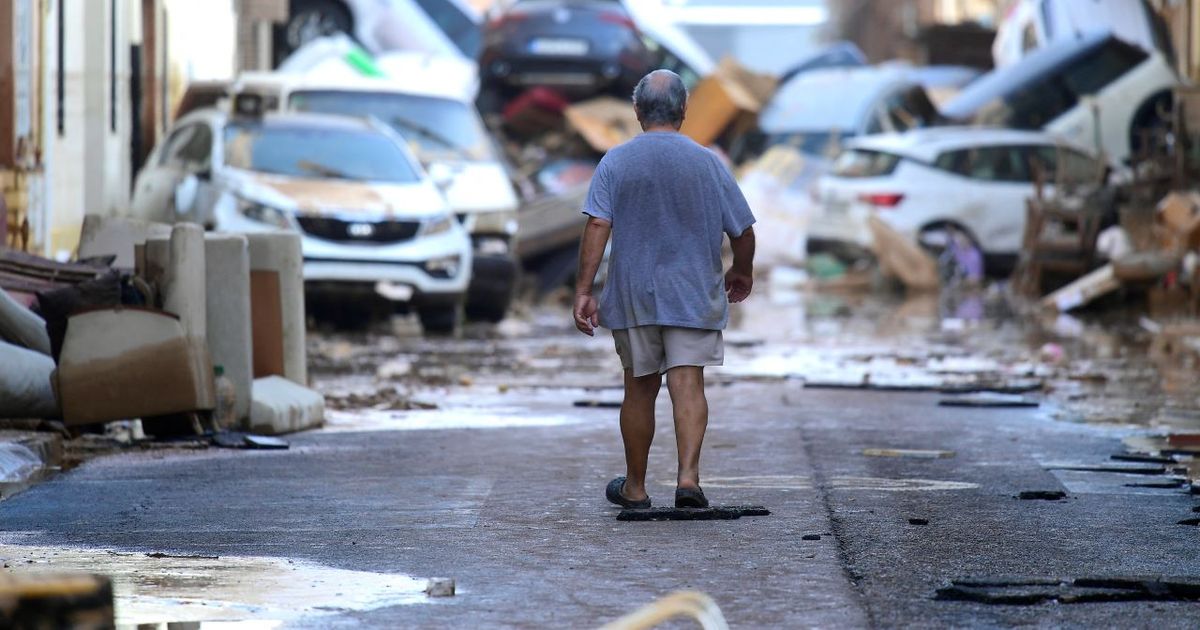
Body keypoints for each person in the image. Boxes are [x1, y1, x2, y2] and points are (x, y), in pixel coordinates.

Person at [573, 69, 756, 509]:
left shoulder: (615, 161)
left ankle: (635, 489)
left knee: (639, 388)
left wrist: (584, 289)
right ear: (684, 110)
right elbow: (743, 229)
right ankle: (688, 480)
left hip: (635, 293)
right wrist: (742, 271)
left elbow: (599, 224)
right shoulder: (708, 162)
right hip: (693, 291)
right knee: (688, 383)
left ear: (636, 111)